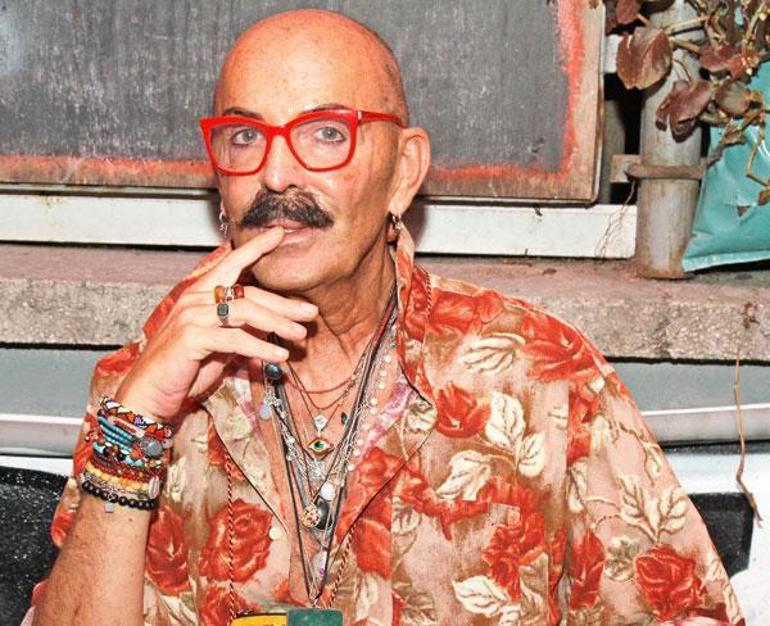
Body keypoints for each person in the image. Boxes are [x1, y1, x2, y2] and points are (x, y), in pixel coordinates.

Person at [28, 8, 742, 626]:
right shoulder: (155, 374)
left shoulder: (539, 379)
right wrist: (135, 425)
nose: (275, 174)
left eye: (325, 133)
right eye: (245, 137)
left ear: (403, 171)